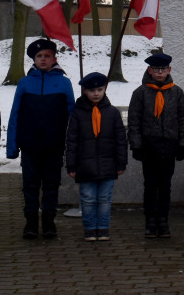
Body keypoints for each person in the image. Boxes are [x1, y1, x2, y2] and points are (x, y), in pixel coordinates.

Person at [6, 38, 74, 239]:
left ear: (54, 58)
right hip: (30, 145)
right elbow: (15, 114)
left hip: (54, 145)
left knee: (52, 184)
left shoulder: (64, 83)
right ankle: (31, 222)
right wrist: (12, 145)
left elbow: (71, 116)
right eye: (39, 56)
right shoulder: (25, 83)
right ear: (33, 59)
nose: (43, 59)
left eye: (47, 56)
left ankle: (49, 222)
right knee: (30, 185)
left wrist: (71, 145)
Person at [127, 53, 184, 239]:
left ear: (169, 70)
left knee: (165, 186)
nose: (160, 72)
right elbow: (134, 121)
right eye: (156, 69)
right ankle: (150, 221)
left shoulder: (177, 92)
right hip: (149, 148)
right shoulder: (140, 93)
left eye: (163, 69)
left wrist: (182, 144)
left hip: (169, 147)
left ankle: (163, 220)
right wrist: (136, 145)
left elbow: (182, 120)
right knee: (150, 185)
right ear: (150, 70)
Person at [66, 72, 127, 241]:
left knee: (105, 198)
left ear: (105, 89)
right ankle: (90, 228)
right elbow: (72, 141)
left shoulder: (113, 113)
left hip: (108, 164)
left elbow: (121, 140)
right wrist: (71, 165)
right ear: (84, 91)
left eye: (100, 89)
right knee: (87, 198)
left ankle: (103, 228)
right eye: (92, 90)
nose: (96, 93)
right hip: (84, 166)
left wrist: (121, 163)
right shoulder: (77, 114)